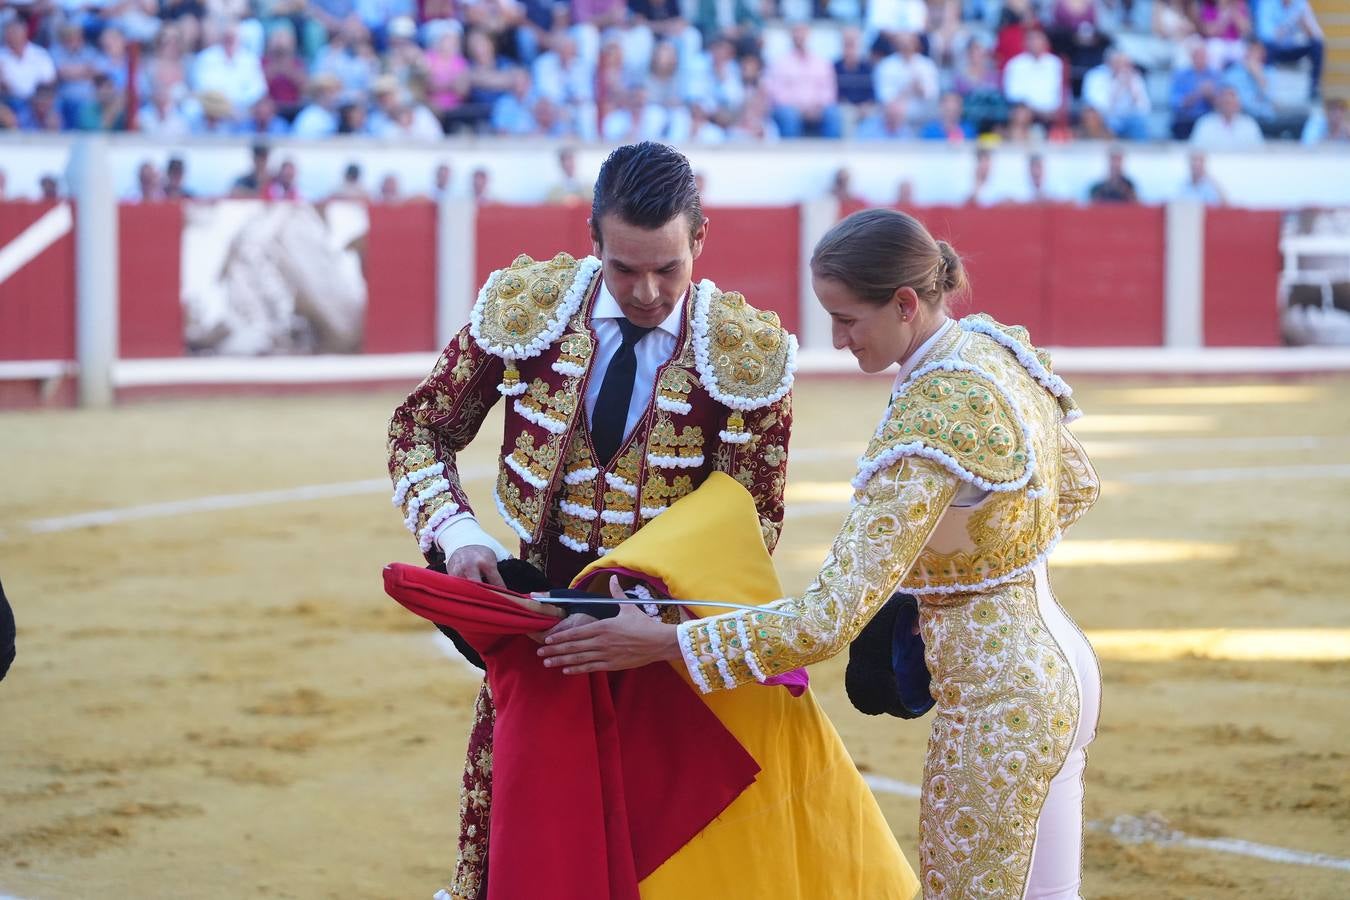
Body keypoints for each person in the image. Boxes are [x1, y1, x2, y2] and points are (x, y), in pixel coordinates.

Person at [540, 207, 1103, 900]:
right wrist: (950, 576)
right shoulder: (990, 350)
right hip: (1061, 663)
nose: (838, 340)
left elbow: (827, 620)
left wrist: (665, 643)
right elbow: (1075, 486)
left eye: (848, 319)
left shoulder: (932, 413)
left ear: (905, 304)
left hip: (998, 701)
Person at [386, 141, 795, 900]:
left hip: (660, 650)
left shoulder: (747, 353)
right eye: (624, 268)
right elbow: (419, 429)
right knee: (515, 853)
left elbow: (754, 521)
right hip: (539, 633)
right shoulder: (528, 308)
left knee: (656, 864)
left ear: (700, 239)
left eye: (668, 268)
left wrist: (651, 619)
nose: (647, 292)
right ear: (593, 240)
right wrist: (460, 537)